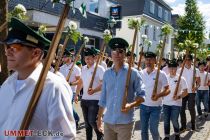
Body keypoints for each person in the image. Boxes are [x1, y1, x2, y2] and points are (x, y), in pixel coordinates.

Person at [0, 17, 76, 139]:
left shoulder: (53, 87)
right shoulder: (6, 85)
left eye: (14, 47)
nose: (7, 52)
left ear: (36, 53)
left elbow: (63, 135)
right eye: (6, 47)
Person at [96, 38, 145, 140]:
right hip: (108, 121)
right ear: (111, 54)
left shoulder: (133, 73)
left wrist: (130, 105)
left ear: (125, 54)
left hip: (125, 122)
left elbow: (142, 96)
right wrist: (99, 117)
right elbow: (103, 98)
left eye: (121, 51)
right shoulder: (107, 74)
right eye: (114, 51)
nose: (117, 54)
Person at [75, 47, 105, 140]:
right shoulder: (83, 68)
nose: (87, 60)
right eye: (85, 58)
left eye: (89, 58)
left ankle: (100, 135)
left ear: (94, 58)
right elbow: (81, 82)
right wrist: (76, 94)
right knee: (87, 124)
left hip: (95, 99)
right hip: (84, 99)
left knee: (92, 121)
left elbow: (104, 84)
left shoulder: (99, 69)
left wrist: (94, 90)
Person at [139, 52, 170, 140]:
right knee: (143, 130)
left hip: (156, 107)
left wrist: (159, 95)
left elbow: (168, 89)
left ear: (155, 60)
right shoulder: (141, 73)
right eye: (147, 59)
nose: (148, 61)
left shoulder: (161, 74)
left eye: (151, 59)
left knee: (153, 129)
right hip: (143, 106)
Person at [162, 59, 188, 140]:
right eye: (170, 68)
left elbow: (186, 91)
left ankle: (177, 134)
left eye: (174, 68)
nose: (172, 70)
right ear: (168, 68)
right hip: (166, 103)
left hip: (176, 103)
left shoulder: (181, 78)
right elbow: (162, 90)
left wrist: (179, 96)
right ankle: (167, 136)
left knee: (174, 120)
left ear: (176, 68)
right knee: (166, 121)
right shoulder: (165, 78)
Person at [59, 49, 81, 129]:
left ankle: (76, 119)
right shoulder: (62, 68)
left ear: (69, 57)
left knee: (68, 106)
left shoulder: (75, 68)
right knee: (64, 107)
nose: (63, 58)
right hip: (63, 90)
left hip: (72, 91)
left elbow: (79, 81)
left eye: (64, 57)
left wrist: (71, 83)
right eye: (63, 57)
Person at [178, 54, 200, 132]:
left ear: (191, 61)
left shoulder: (195, 70)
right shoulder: (179, 70)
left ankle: (193, 124)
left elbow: (198, 81)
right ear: (183, 60)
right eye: (186, 60)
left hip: (191, 92)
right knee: (181, 110)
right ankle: (183, 126)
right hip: (183, 92)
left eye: (189, 60)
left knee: (191, 108)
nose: (187, 61)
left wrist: (196, 87)